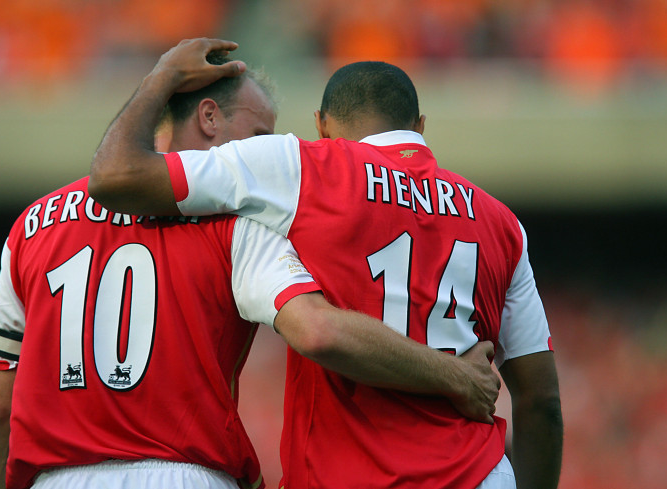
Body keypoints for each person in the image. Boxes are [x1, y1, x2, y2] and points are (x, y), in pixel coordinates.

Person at [0, 46, 502, 489]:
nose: (262, 156)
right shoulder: (238, 228)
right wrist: (454, 375)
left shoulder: (31, 226)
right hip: (185, 473)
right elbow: (318, 329)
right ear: (209, 118)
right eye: (258, 135)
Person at [88, 38, 564, 489]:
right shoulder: (503, 223)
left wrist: (163, 75)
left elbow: (116, 175)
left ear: (321, 126)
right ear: (418, 127)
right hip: (478, 474)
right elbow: (541, 402)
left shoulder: (301, 165)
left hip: (343, 474)